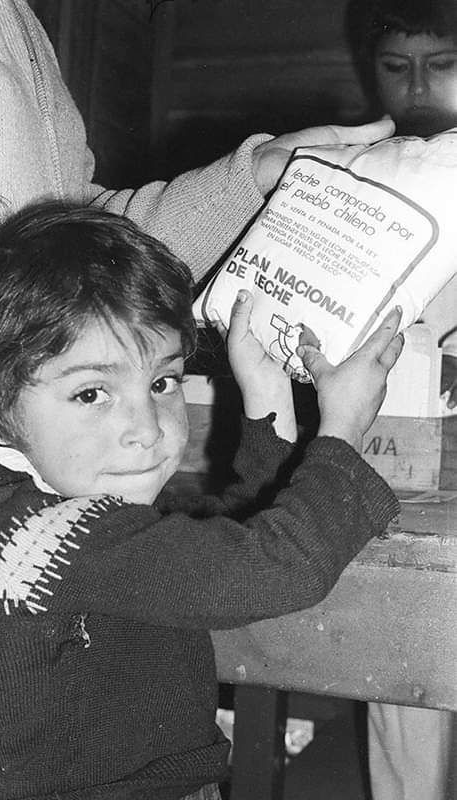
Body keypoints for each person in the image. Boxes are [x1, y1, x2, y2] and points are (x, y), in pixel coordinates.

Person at [0, 1, 397, 795]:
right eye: (89, 395)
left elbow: (222, 544)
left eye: (162, 381)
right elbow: (262, 574)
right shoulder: (45, 544)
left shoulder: (62, 506)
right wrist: (340, 432)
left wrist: (264, 402)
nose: (146, 430)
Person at [346, 3, 457, 798]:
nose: (418, 86)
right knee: (405, 637)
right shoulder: (352, 176)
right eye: (396, 66)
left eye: (442, 62)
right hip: (401, 442)